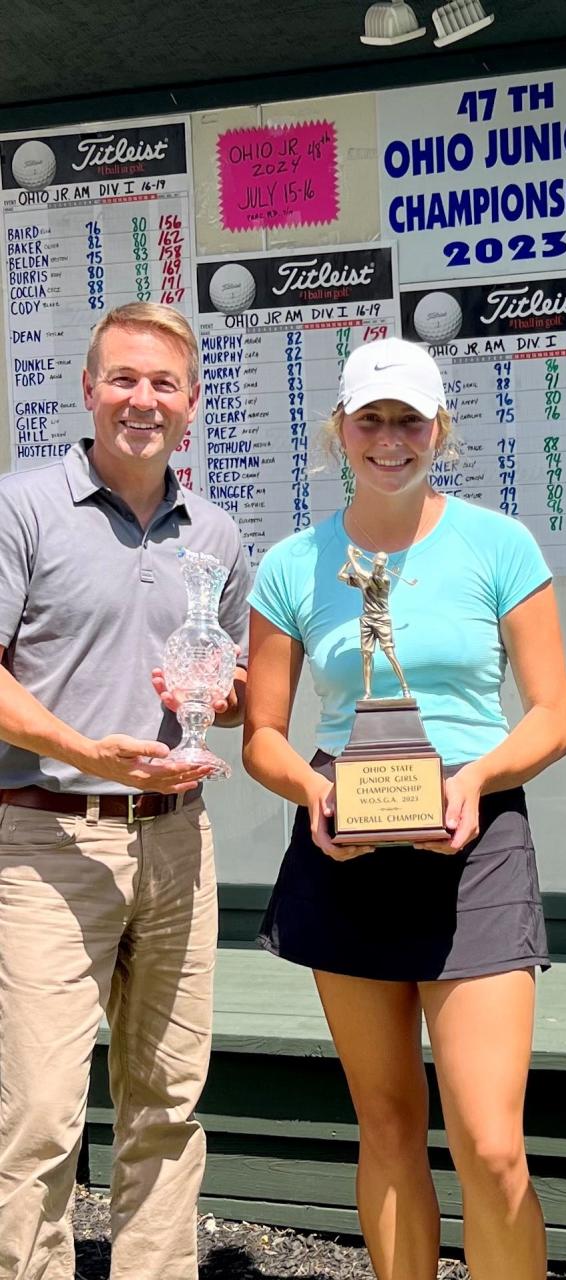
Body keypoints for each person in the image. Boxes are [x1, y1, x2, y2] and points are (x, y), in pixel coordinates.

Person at [243, 336, 566, 1280]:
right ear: (340, 430)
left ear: (442, 429)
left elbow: (552, 716)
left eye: (411, 420)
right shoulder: (293, 565)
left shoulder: (498, 544)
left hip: (478, 842)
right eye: (372, 419)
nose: (392, 439)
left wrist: (473, 780)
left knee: (491, 1143)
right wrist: (316, 791)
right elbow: (262, 734)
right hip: (345, 847)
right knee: (387, 1126)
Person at [0, 303, 250, 1280]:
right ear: (89, 389)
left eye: (163, 384)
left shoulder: (218, 534)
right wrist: (84, 751)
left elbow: (222, 695)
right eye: (123, 379)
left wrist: (221, 696)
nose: (142, 400)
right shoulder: (22, 508)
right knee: (39, 1117)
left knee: (167, 1105)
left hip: (178, 840)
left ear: (191, 403)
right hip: (48, 841)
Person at [338, 544, 410, 698]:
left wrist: (351, 554)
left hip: (382, 619)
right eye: (377, 563)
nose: (378, 566)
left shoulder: (384, 580)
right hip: (367, 620)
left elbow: (360, 573)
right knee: (366, 655)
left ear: (384, 565)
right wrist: (352, 560)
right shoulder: (365, 578)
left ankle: (405, 687)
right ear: (373, 562)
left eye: (381, 564)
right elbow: (341, 575)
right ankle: (368, 692)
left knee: (389, 653)